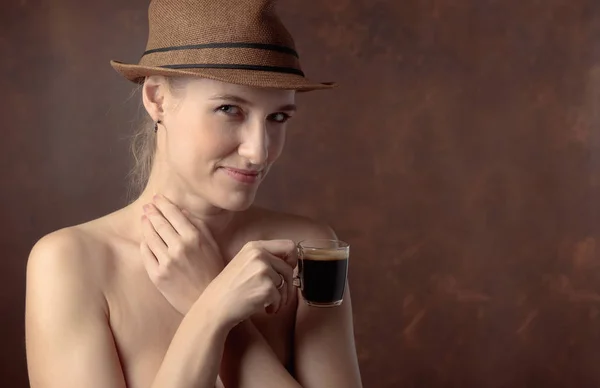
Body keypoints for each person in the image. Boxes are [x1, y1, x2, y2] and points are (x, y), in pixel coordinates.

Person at [25, 0, 362, 387]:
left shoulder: (312, 251)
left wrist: (209, 299)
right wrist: (211, 312)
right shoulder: (71, 263)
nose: (259, 151)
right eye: (229, 109)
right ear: (157, 99)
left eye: (278, 117)